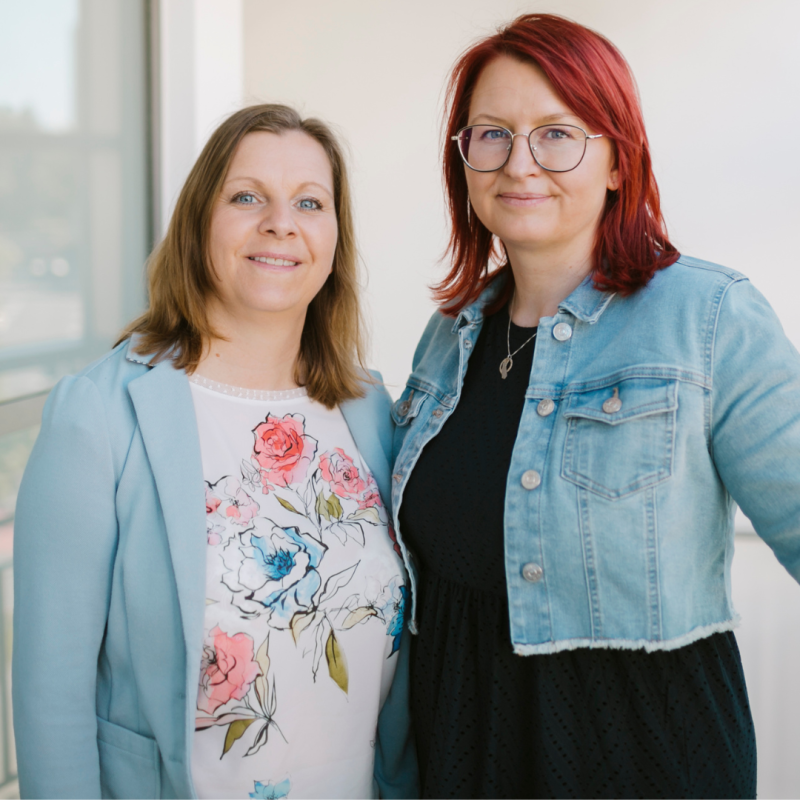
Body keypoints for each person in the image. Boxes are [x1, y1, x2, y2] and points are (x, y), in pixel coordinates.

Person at [390, 13, 800, 799]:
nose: (521, 163)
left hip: (642, 757)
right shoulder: (447, 337)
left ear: (618, 161)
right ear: (464, 162)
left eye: (557, 134)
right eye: (491, 134)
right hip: (461, 748)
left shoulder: (708, 319)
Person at [13, 104, 417, 800]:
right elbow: (53, 699)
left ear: (334, 238)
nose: (280, 222)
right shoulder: (99, 415)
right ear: (200, 220)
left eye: (310, 202)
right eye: (247, 196)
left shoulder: (372, 408)